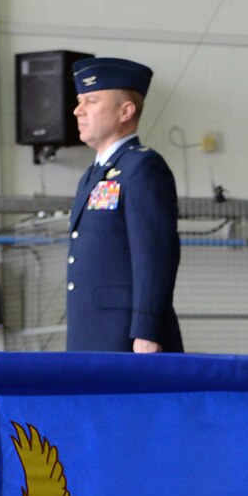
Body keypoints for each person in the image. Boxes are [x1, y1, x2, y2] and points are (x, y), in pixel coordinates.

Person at [65, 56, 184, 354]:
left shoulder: (142, 167)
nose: (78, 110)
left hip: (127, 339)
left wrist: (147, 330)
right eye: (80, 101)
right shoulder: (92, 176)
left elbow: (154, 254)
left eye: (91, 101)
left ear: (125, 111)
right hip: (90, 334)